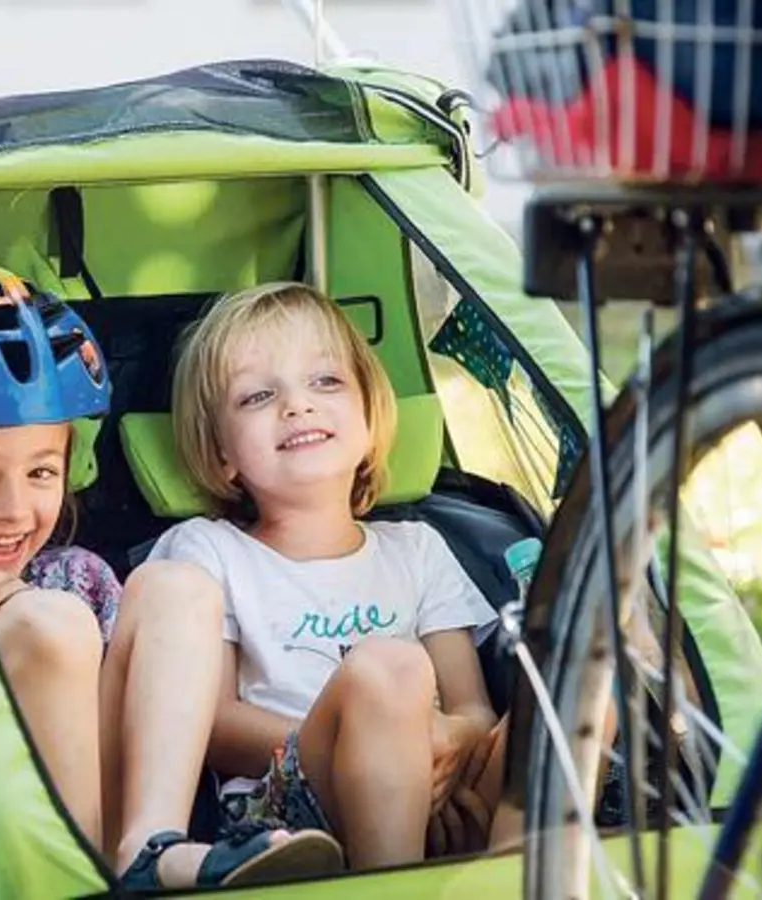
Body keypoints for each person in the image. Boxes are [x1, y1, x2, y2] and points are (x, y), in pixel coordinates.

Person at [0, 267, 345, 890]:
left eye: (42, 473)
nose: (13, 510)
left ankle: (149, 850)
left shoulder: (76, 578)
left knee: (176, 588)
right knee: (47, 623)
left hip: (101, 833)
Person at [144, 281, 511, 870]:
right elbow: (211, 722)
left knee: (577, 673)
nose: (298, 405)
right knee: (388, 667)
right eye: (258, 395)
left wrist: (446, 742)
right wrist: (370, 747)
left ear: (369, 416)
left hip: (447, 787)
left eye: (326, 381)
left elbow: (473, 708)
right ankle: (389, 884)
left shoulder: (418, 548)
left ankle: (522, 874)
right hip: (291, 804)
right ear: (221, 454)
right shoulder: (209, 552)